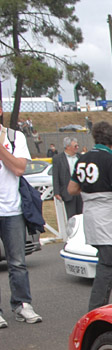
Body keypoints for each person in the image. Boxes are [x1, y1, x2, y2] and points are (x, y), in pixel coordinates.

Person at [65, 122, 112, 311]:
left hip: (91, 214)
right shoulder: (110, 160)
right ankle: (95, 309)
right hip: (107, 217)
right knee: (109, 262)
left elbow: (72, 189)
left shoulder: (83, 159)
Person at [0, 103, 42, 326]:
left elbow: (18, 168)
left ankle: (22, 304)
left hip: (12, 209)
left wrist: (0, 148)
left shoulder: (15, 137)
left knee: (17, 262)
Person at [53, 136, 83, 218]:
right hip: (67, 192)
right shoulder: (58, 159)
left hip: (81, 191)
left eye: (77, 146)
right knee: (71, 217)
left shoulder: (81, 157)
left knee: (82, 216)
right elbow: (55, 176)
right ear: (67, 147)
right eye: (75, 146)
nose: (77, 148)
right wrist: (56, 192)